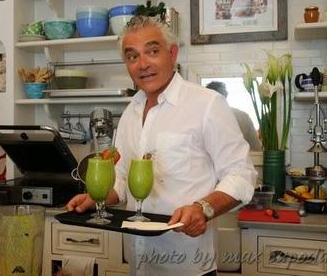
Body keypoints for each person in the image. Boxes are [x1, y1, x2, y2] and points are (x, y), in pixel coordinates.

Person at [67, 16, 257, 276]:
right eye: (132, 57)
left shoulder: (207, 104)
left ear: (172, 52)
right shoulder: (130, 112)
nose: (142, 64)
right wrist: (95, 198)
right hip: (139, 263)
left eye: (152, 52)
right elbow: (122, 180)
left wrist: (204, 209)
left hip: (187, 265)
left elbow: (241, 174)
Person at [205, 81, 262, 151]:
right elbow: (256, 148)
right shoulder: (243, 117)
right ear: (226, 94)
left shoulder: (200, 119)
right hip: (239, 160)